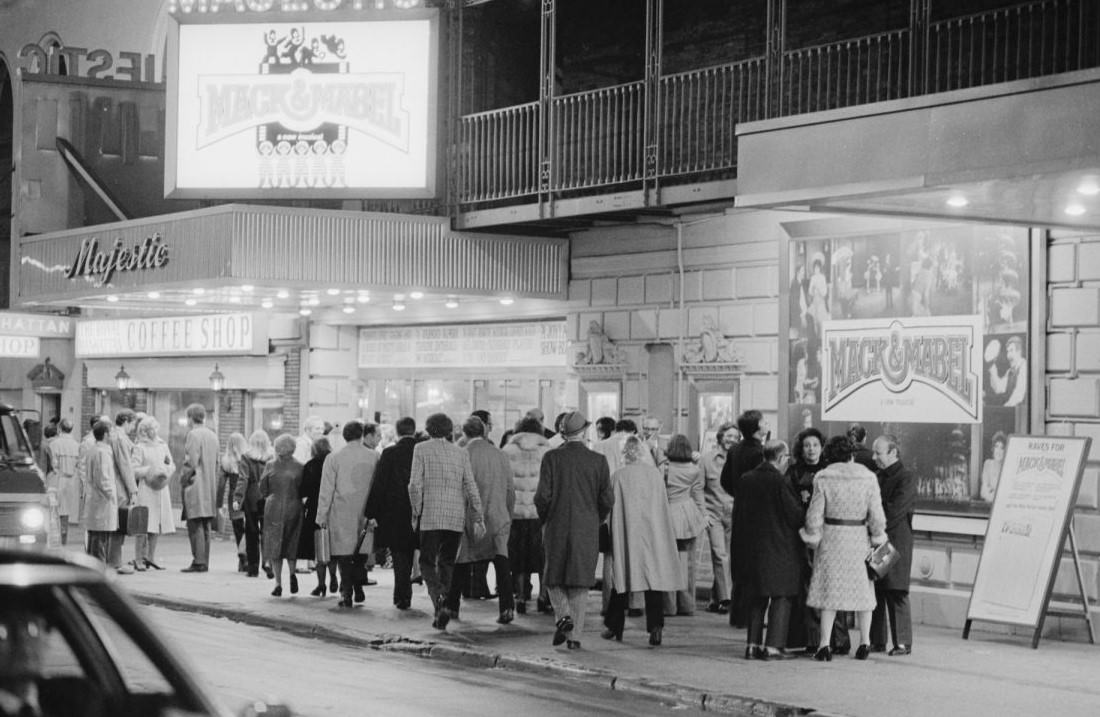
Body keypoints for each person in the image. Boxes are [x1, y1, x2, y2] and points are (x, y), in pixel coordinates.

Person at [800, 435, 887, 661]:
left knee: (830, 592)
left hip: (832, 539)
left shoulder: (823, 477)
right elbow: (877, 516)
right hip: (858, 538)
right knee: (864, 592)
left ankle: (824, 645)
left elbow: (814, 515)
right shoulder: (868, 478)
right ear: (852, 454)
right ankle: (865, 643)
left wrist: (812, 536)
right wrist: (878, 536)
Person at [535, 410, 614, 650]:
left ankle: (563, 615)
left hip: (556, 524)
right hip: (587, 526)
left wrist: (546, 517)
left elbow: (542, 497)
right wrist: (596, 518)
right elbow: (607, 499)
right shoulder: (598, 461)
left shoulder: (551, 458)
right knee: (580, 582)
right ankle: (575, 638)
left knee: (553, 575)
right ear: (584, 432)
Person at [409, 413, 485, 630]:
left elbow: (414, 485)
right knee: (447, 561)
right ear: (450, 430)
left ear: (428, 429)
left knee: (426, 562)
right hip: (455, 516)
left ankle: (439, 600)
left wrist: (416, 511)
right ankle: (446, 599)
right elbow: (471, 485)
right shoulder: (461, 453)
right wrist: (478, 515)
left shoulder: (421, 449)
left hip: (430, 515)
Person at [602, 436, 679, 647]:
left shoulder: (618, 476)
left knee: (623, 578)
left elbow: (610, 506)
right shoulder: (655, 475)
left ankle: (614, 626)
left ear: (625, 453)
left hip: (629, 532)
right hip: (653, 532)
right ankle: (656, 627)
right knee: (653, 581)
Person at [738, 440, 804, 660]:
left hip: (752, 549)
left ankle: (752, 645)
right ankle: (774, 646)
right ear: (781, 458)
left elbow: (738, 516)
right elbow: (795, 517)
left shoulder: (746, 480)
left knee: (757, 598)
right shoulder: (780, 482)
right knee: (781, 597)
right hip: (780, 549)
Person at [447, 416, 516, 623]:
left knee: (461, 561)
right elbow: (510, 489)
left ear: (465, 434)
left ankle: (452, 607)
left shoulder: (461, 454)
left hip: (469, 516)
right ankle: (507, 608)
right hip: (497, 514)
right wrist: (508, 514)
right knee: (502, 562)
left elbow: (456, 489)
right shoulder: (500, 455)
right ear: (485, 432)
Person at [786, 427, 845, 654]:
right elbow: (789, 502)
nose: (811, 449)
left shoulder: (830, 472)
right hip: (802, 537)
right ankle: (810, 637)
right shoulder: (793, 473)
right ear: (801, 449)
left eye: (815, 445)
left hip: (829, 537)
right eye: (807, 445)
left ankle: (835, 639)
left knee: (831, 587)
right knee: (807, 588)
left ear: (822, 447)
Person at [317, 421, 379, 608]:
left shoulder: (333, 458)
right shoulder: (375, 456)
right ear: (361, 435)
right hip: (366, 510)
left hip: (341, 511)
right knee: (360, 552)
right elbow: (379, 486)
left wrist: (321, 516)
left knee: (344, 555)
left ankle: (347, 593)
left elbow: (326, 490)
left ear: (344, 436)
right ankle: (359, 587)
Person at [720, 409, 769, 628]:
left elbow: (725, 481)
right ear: (757, 428)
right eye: (764, 422)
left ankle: (738, 614)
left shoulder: (735, 450)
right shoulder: (760, 453)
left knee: (739, 561)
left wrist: (737, 493)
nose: (766, 425)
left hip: (739, 508)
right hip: (757, 512)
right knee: (755, 563)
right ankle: (752, 615)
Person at [870, 434, 917, 656]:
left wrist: (874, 520)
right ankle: (877, 641)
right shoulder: (878, 476)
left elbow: (894, 510)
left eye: (878, 453)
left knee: (896, 590)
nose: (874, 457)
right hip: (882, 540)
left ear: (892, 453)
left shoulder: (906, 477)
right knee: (878, 590)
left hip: (894, 541)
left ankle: (902, 643)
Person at [366, 417, 420, 610]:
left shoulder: (390, 453)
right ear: (414, 430)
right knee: (419, 549)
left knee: (399, 554)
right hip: (420, 509)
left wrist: (372, 511)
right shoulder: (422, 451)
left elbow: (380, 484)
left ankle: (402, 595)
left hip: (395, 511)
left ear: (397, 432)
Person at [502, 416, 552, 616]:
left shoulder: (507, 451)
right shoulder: (548, 452)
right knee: (542, 557)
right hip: (540, 514)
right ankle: (543, 597)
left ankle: (521, 597)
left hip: (515, 513)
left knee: (518, 558)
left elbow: (504, 483)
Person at [662, 434, 707, 617]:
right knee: (687, 563)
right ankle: (687, 604)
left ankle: (669, 605)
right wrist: (704, 514)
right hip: (688, 514)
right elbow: (698, 493)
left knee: (667, 562)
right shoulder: (695, 470)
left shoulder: (664, 469)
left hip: (668, 513)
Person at [261, 434, 304, 597]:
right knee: (292, 542)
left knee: (275, 545)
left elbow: (263, 488)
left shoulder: (270, 465)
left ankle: (278, 583)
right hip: (294, 507)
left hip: (274, 507)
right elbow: (303, 488)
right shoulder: (300, 466)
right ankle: (292, 574)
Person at [131, 417, 175, 572]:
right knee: (143, 524)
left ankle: (151, 557)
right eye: (152, 428)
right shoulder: (140, 447)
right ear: (145, 430)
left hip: (161, 488)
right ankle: (138, 558)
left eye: (156, 428)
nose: (155, 431)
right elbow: (134, 469)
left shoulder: (163, 445)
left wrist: (166, 471)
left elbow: (171, 463)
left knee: (156, 524)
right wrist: (149, 470)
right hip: (146, 488)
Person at [180, 404, 220, 573]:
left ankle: (198, 561)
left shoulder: (193, 435)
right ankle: (204, 560)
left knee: (195, 524)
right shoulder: (213, 435)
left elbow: (191, 462)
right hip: (210, 485)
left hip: (196, 485)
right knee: (205, 525)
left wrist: (183, 479)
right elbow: (217, 463)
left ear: (190, 417)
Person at [702, 422, 736, 614]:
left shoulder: (738, 460)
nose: (731, 439)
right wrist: (703, 513)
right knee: (720, 554)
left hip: (734, 513)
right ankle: (726, 598)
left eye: (735, 437)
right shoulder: (706, 460)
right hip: (713, 513)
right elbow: (698, 488)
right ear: (721, 437)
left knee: (728, 557)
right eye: (728, 436)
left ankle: (715, 598)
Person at [299, 436, 335, 597]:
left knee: (319, 549)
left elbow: (303, 491)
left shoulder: (310, 466)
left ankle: (321, 584)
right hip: (333, 508)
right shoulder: (334, 463)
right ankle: (334, 577)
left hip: (315, 509)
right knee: (332, 548)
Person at [234, 430, 272, 578]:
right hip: (268, 496)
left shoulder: (246, 457)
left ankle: (253, 568)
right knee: (267, 532)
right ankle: (267, 563)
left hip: (251, 498)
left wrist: (237, 499)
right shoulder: (271, 457)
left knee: (251, 533)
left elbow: (242, 479)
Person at [107, 410, 139, 575]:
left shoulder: (113, 435)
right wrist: (133, 490)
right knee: (120, 524)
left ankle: (113, 559)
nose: (133, 428)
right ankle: (115, 560)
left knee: (115, 524)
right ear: (126, 421)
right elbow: (125, 465)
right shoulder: (119, 438)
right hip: (120, 485)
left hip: (115, 484)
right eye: (133, 424)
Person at [83, 421, 117, 565]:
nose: (113, 434)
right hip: (102, 500)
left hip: (96, 499)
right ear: (105, 434)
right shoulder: (102, 452)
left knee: (96, 537)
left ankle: (93, 567)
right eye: (111, 431)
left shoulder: (95, 450)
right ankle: (98, 569)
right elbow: (103, 478)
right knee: (100, 539)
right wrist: (111, 495)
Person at [220, 433, 249, 572]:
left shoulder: (226, 461)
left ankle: (242, 561)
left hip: (233, 498)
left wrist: (219, 503)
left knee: (238, 529)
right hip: (247, 496)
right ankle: (247, 557)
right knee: (249, 528)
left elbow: (221, 484)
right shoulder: (248, 458)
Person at [48, 419, 80, 546]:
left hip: (57, 479)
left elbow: (52, 464)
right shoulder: (77, 445)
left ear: (59, 428)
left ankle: (54, 540)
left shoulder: (54, 444)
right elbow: (79, 464)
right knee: (66, 513)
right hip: (72, 480)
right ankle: (64, 540)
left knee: (54, 511)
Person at [988, 336, 1028, 407]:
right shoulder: (1010, 371)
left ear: (1019, 351)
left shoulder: (1024, 367)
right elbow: (999, 388)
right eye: (1007, 351)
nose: (1008, 355)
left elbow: (1018, 395)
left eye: (1011, 350)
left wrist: (1005, 407)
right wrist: (992, 368)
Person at [980, 431, 1007, 502]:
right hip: (988, 507)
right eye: (996, 446)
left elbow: (1005, 495)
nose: (998, 451)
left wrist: (991, 490)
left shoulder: (1007, 468)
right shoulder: (988, 464)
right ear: (993, 448)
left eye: (1002, 448)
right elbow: (983, 492)